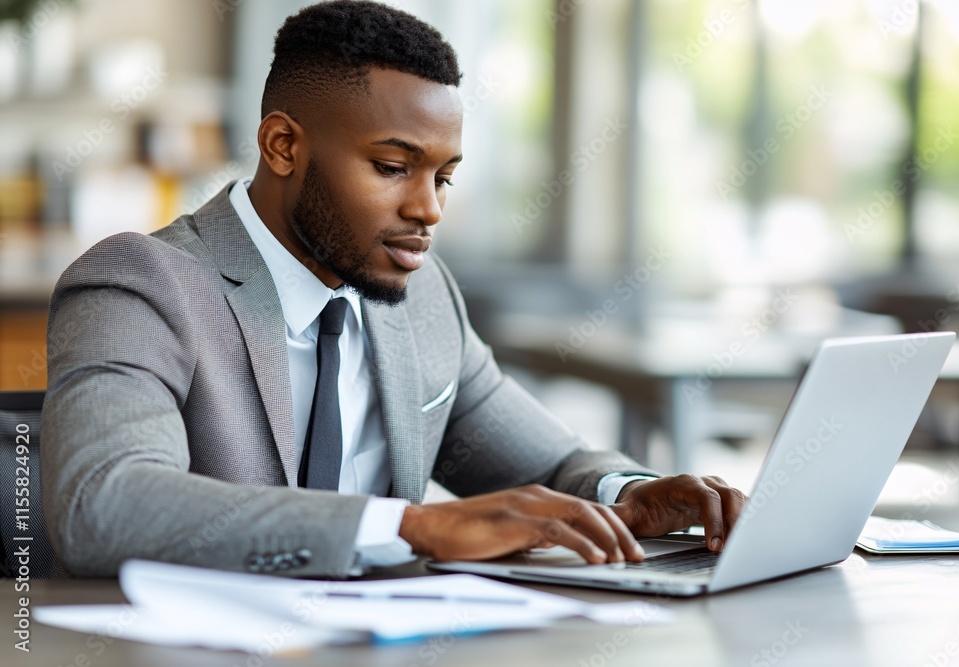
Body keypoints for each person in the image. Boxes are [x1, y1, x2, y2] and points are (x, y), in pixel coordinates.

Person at [41, 0, 745, 578]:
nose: (429, 209)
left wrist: (633, 495)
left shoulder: (422, 295)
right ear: (283, 146)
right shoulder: (141, 284)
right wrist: (413, 527)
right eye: (391, 166)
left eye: (443, 176)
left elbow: (553, 464)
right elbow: (102, 504)